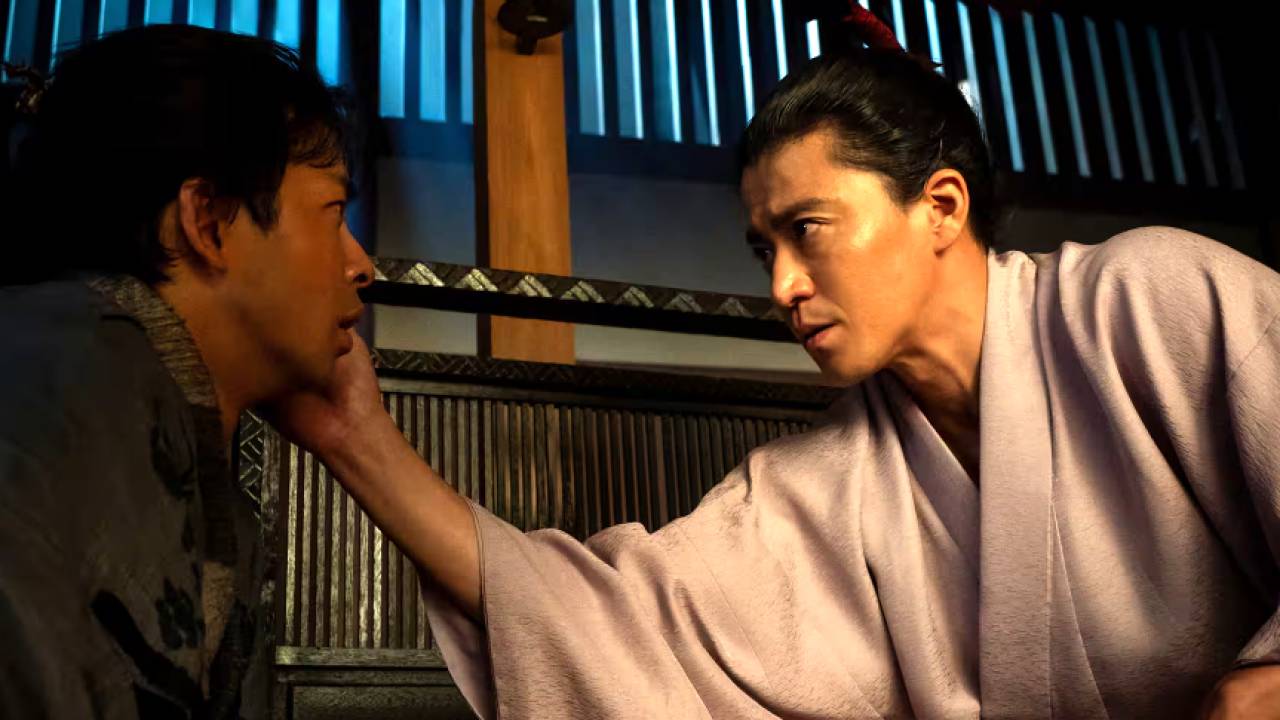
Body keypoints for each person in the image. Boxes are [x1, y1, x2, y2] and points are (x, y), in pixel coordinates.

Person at [269, 14, 1280, 717]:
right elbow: (612, 627)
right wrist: (358, 442)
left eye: (808, 229)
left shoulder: (1153, 299)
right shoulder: (821, 485)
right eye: (764, 250)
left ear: (940, 206)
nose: (783, 285)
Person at [0, 25, 373, 718]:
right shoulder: (60, 394)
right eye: (332, 214)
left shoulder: (130, 401)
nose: (362, 265)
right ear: (208, 221)